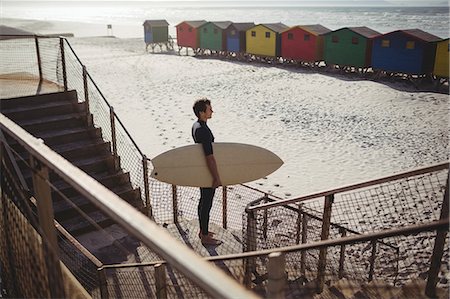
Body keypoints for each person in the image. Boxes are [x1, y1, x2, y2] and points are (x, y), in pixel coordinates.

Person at [192, 98, 222, 246]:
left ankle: (202, 230)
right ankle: (205, 236)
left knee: (203, 201)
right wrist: (216, 177)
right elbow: (209, 157)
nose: (212, 111)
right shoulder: (203, 130)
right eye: (209, 109)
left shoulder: (196, 125)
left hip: (201, 170)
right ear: (202, 112)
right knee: (206, 203)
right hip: (207, 171)